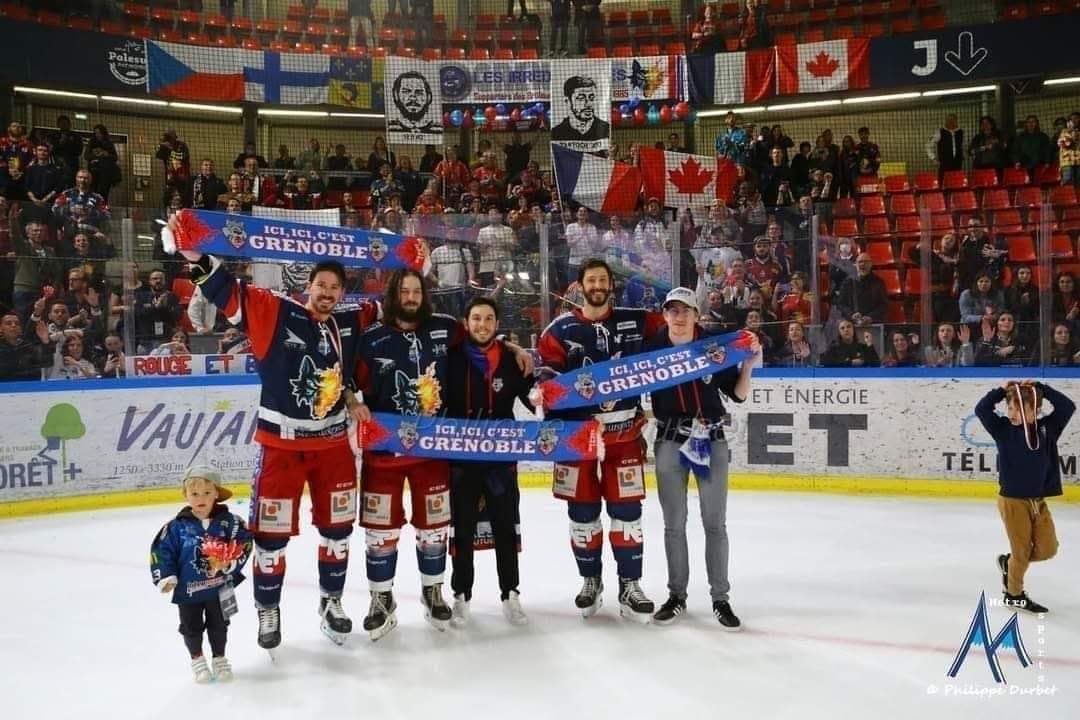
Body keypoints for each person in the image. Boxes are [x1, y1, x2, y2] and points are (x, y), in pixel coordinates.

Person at [171, 218, 379, 650]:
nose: (326, 293)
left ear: (342, 293)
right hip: (281, 447)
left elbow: (400, 307)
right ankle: (269, 609)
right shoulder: (275, 310)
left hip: (333, 445)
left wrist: (419, 263)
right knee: (270, 538)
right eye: (321, 285)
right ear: (310, 286)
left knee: (339, 530)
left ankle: (331, 603)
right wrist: (192, 253)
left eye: (334, 288)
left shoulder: (351, 321)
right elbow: (226, 289)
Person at [350, 270, 531, 638]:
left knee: (434, 530)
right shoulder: (371, 339)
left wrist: (513, 347)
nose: (412, 297)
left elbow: (485, 337)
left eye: (418, 291)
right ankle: (381, 599)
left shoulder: (446, 328)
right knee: (380, 532)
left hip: (433, 454)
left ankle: (433, 593)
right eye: (405, 291)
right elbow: (346, 376)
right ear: (393, 294)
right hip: (383, 453)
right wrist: (352, 400)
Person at [537, 259, 665, 622]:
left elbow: (677, 331)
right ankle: (590, 581)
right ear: (580, 286)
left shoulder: (638, 320)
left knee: (627, 514)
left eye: (603, 280)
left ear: (611, 285)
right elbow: (547, 376)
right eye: (591, 280)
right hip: (576, 436)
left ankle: (630, 584)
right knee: (582, 513)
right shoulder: (559, 329)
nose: (597, 285)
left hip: (623, 432)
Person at [648, 288, 758, 628]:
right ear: (664, 315)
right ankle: (676, 594)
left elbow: (736, 395)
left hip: (710, 438)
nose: (678, 317)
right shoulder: (651, 346)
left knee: (715, 522)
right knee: (674, 524)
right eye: (672, 310)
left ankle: (720, 598)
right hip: (669, 438)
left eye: (686, 310)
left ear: (697, 315)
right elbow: (624, 381)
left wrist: (749, 364)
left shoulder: (714, 347)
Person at [445, 297, 534, 627]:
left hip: (500, 462)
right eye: (476, 318)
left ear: (497, 324)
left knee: (505, 527)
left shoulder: (511, 361)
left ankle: (510, 593)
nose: (482, 324)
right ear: (466, 323)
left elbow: (535, 397)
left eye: (489, 319)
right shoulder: (451, 357)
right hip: (462, 462)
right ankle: (461, 595)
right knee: (463, 529)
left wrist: (548, 400)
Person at [975, 381, 1074, 614]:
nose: (1014, 414)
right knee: (1021, 553)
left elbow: (1067, 407)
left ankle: (1009, 564)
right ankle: (1014, 595)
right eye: (1010, 408)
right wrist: (1001, 390)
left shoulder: (1047, 430)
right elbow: (982, 409)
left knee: (1048, 549)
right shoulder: (1002, 430)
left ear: (1035, 410)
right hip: (1012, 502)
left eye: (1021, 409)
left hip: (1038, 502)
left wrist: (1042, 388)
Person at [150, 466, 253, 683]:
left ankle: (219, 658)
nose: (201, 499)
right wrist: (167, 577)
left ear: (216, 493)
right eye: (195, 494)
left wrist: (230, 562)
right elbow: (161, 551)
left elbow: (245, 543)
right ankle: (197, 659)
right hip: (189, 591)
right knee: (191, 627)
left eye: (207, 493)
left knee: (220, 626)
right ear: (185, 495)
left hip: (220, 589)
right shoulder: (176, 528)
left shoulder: (231, 523)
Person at [551, 76, 609, 143]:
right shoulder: (557, 133)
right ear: (567, 101)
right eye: (581, 98)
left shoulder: (606, 129)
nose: (588, 104)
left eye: (591, 98)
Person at [926, 114, 964, 184]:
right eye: (949, 121)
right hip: (944, 164)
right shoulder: (939, 132)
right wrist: (933, 158)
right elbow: (929, 145)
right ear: (946, 121)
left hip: (957, 164)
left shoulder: (960, 132)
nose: (951, 122)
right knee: (944, 184)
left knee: (957, 184)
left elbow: (961, 146)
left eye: (953, 121)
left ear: (956, 121)